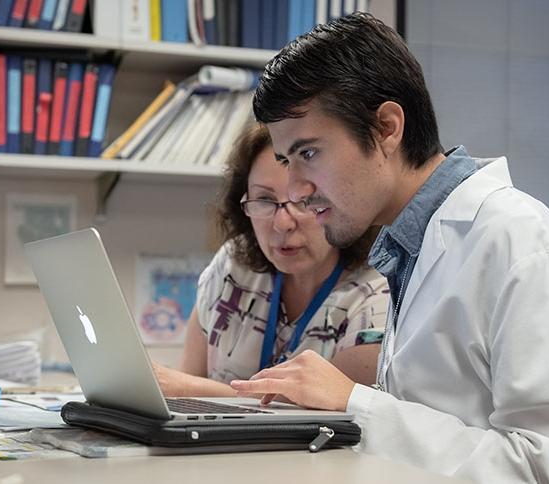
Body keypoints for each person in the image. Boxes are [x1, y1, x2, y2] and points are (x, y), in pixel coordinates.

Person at [229, 13, 549, 483]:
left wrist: (355, 404)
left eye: (309, 154)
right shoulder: (411, 248)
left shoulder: (518, 241)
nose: (295, 189)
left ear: (386, 128)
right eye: (285, 160)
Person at [152, 124, 389, 397]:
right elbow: (182, 408)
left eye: (302, 201)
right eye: (264, 199)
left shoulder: (379, 291)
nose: (282, 223)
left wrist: (187, 388)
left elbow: (318, 412)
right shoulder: (232, 266)